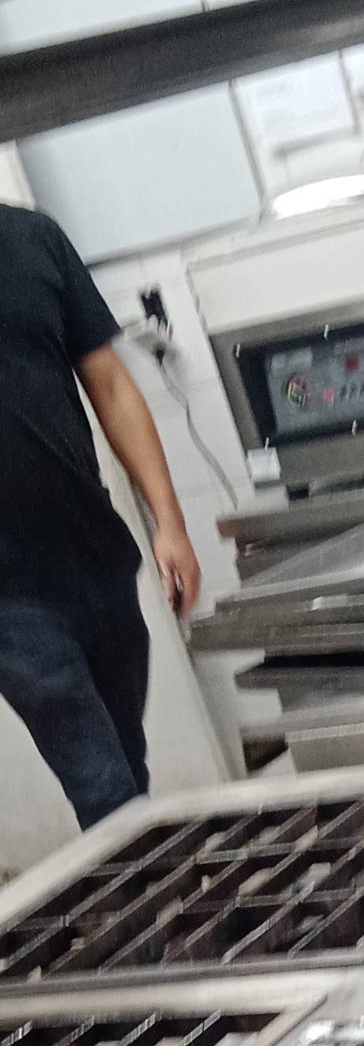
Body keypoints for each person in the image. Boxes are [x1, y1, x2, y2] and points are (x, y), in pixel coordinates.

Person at [0, 200, 202, 830]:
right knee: (105, 789)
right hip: (9, 601)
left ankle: (148, 886)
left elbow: (111, 386)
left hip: (96, 560)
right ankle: (157, 888)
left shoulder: (32, 238)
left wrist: (170, 524)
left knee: (127, 770)